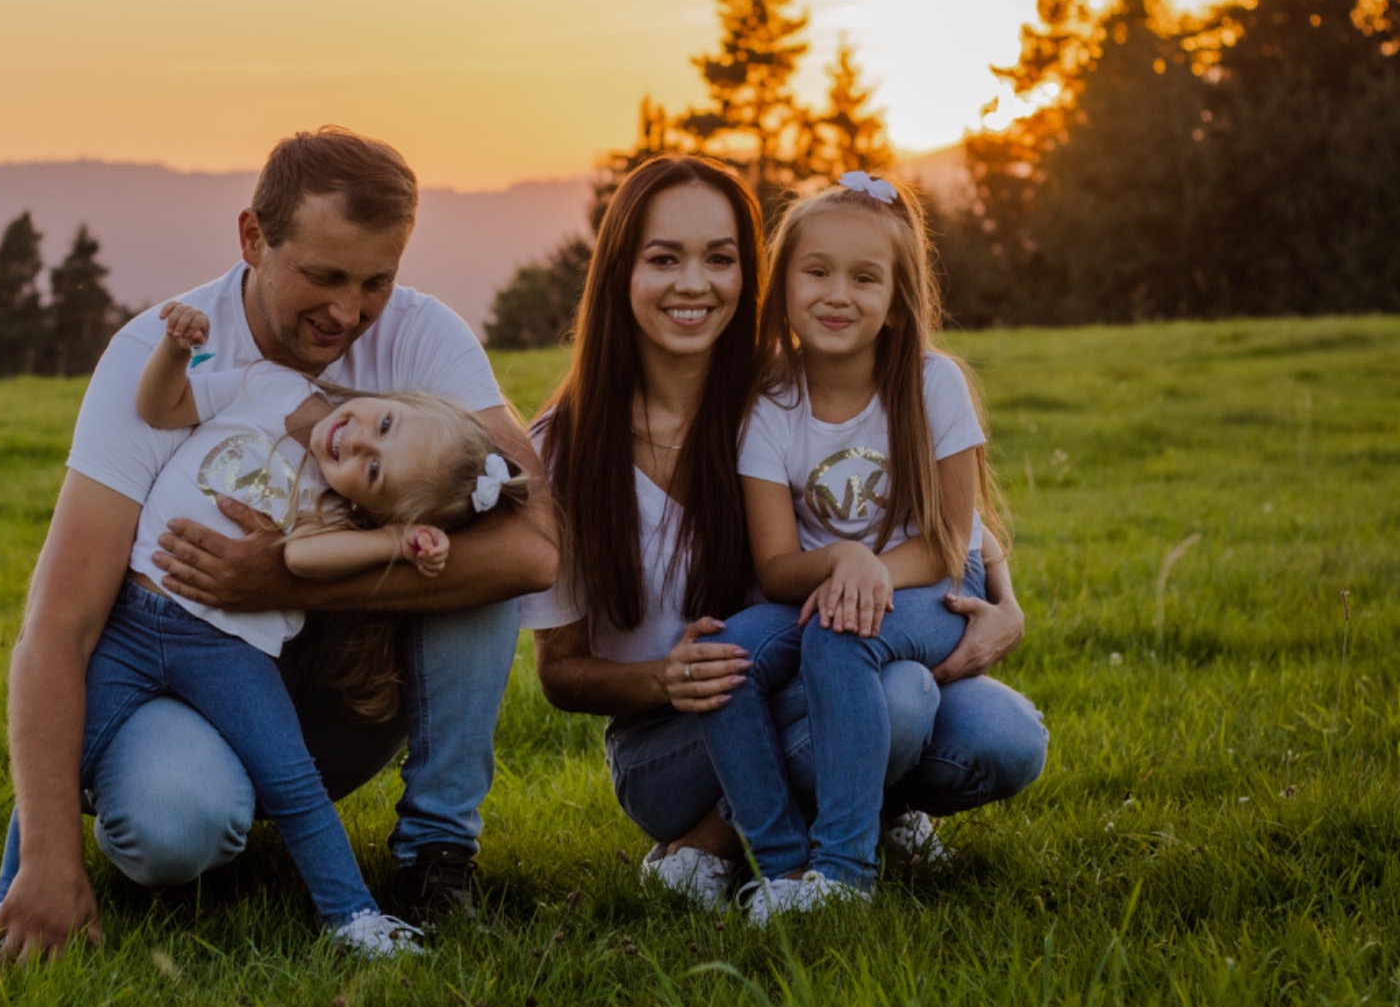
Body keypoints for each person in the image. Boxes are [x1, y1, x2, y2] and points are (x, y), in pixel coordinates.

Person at [0, 127, 558, 963]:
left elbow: (534, 548)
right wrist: (46, 861)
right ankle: (198, 807)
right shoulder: (164, 354)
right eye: (324, 276)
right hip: (180, 676)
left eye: (377, 280)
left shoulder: (424, 337)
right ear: (252, 238)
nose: (347, 312)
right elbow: (59, 621)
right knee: (173, 829)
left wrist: (283, 581)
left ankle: (434, 858)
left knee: (473, 564)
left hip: (338, 695)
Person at [523, 155, 1044, 918]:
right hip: (673, 743)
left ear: (752, 276)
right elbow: (558, 673)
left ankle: (838, 835)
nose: (694, 283)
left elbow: (929, 519)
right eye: (665, 258)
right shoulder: (564, 451)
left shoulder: (772, 392)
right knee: (894, 701)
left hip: (813, 666)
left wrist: (1004, 599)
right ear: (618, 273)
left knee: (1001, 733)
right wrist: (661, 680)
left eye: (721, 259)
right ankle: (718, 840)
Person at [69, 301, 530, 955]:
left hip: (223, 647)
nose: (360, 441)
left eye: (373, 469)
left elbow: (303, 558)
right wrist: (173, 350)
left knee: (294, 781)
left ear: (371, 504)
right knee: (62, 754)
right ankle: (8, 900)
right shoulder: (270, 383)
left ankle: (359, 913)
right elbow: (161, 405)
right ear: (389, 397)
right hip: (132, 623)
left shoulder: (331, 508)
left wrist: (395, 542)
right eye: (385, 421)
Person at [696, 169, 1013, 918]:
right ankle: (779, 867)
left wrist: (868, 568)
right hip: (817, 587)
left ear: (897, 300)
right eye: (817, 271)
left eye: (865, 278)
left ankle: (844, 871)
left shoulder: (934, 384)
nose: (838, 294)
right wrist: (842, 559)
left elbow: (944, 542)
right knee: (725, 657)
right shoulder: (771, 403)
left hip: (933, 586)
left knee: (843, 638)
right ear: (783, 289)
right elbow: (775, 567)